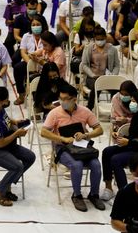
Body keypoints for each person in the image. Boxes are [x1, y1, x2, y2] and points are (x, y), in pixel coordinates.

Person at [41, 83, 105, 212]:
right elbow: (43, 132)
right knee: (77, 165)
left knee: (96, 165)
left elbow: (100, 129)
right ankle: (77, 195)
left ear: (74, 99)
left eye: (65, 99)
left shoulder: (84, 111)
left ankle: (94, 194)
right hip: (62, 148)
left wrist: (86, 134)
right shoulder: (54, 113)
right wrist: (62, 139)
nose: (62, 101)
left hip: (82, 147)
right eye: (61, 98)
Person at [0, 86, 36, 207]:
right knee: (17, 166)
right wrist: (16, 133)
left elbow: (7, 120)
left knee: (30, 157)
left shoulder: (0, 109)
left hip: (6, 145)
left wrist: (16, 122)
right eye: (6, 100)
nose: (7, 102)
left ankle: (8, 184)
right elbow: (0, 143)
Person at [80, 27, 120, 109]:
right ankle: (89, 107)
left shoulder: (112, 49)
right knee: (96, 85)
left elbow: (117, 65)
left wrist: (113, 75)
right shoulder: (89, 48)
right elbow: (84, 65)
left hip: (107, 77)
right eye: (98, 39)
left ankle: (116, 108)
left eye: (102, 39)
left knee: (117, 88)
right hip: (92, 77)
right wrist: (92, 74)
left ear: (105, 38)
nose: (100, 41)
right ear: (94, 39)